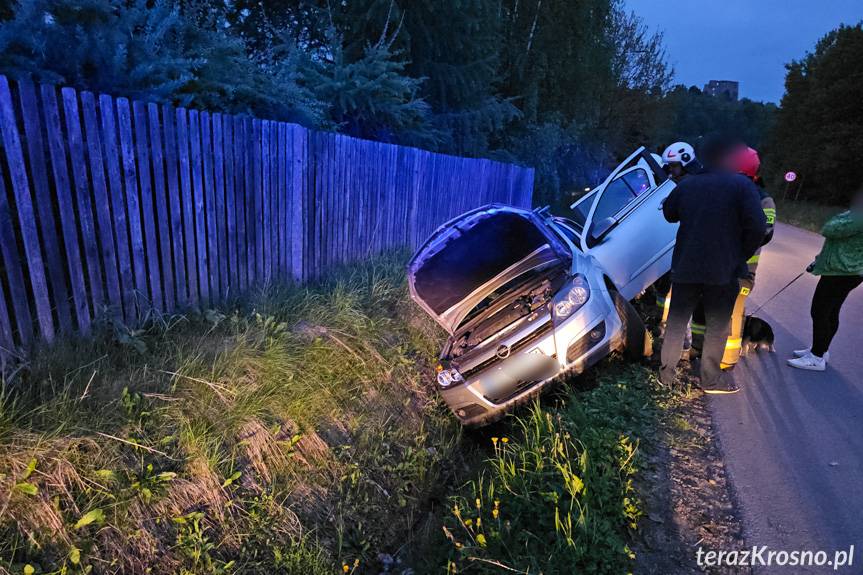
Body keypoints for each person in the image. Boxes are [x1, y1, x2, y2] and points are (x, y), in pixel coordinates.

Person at [659, 136, 767, 393]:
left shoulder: (687, 185)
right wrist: (740, 254)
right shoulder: (742, 186)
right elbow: (758, 227)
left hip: (686, 267)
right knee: (717, 326)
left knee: (676, 322)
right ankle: (710, 380)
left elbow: (669, 214)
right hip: (724, 270)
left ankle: (666, 377)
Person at [690, 146, 776, 369]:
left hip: (742, 272)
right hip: (714, 266)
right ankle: (697, 348)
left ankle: (727, 359)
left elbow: (764, 234)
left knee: (734, 311)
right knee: (702, 306)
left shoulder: (764, 201)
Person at [787, 193, 863, 371]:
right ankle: (820, 350)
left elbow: (830, 228)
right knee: (831, 311)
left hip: (842, 271)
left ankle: (816, 357)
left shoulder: (858, 218)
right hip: (844, 269)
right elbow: (838, 241)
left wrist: (845, 215)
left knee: (820, 311)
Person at [656, 141, 699, 327]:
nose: (671, 170)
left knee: (684, 298)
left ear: (686, 162)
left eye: (674, 166)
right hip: (687, 248)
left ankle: (678, 338)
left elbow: (670, 215)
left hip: (690, 251)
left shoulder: (688, 185)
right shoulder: (687, 183)